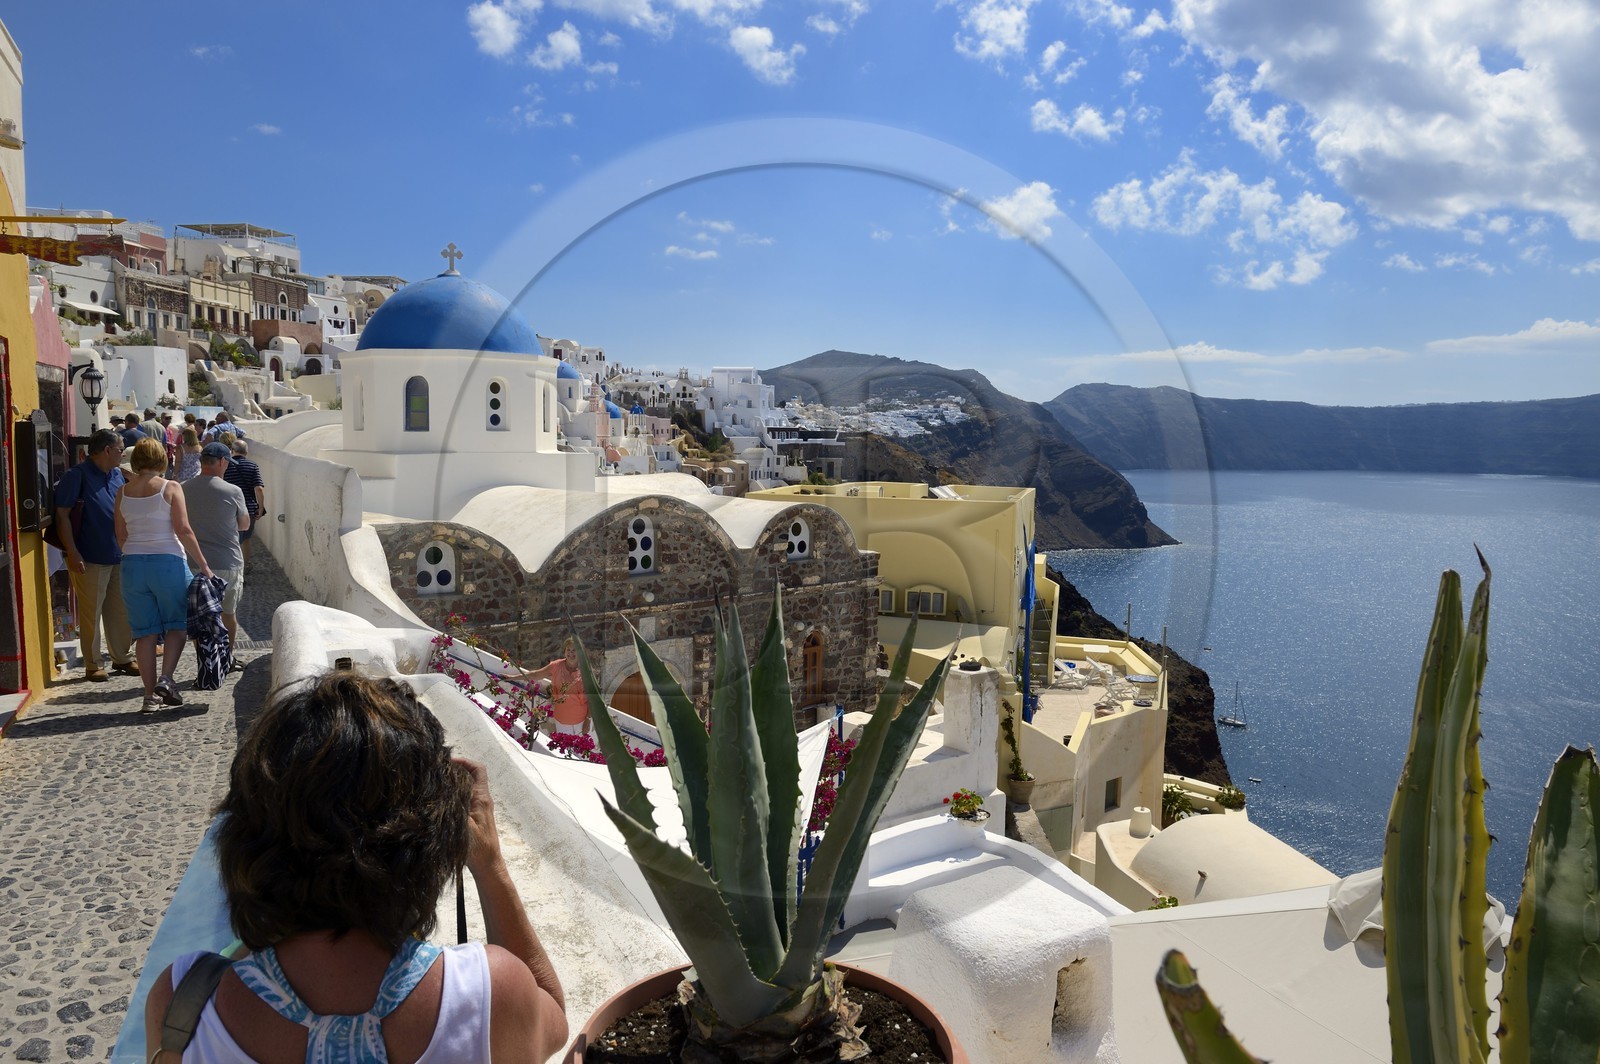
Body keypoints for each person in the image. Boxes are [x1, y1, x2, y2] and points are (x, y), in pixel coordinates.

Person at [142, 671, 568, 1063]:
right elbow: (552, 1019)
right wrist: (490, 866)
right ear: (431, 839)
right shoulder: (488, 994)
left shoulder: (183, 1004)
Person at [116, 437, 213, 712]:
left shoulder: (122, 492)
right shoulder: (171, 487)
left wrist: (137, 553)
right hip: (168, 560)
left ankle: (149, 697)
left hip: (132, 565)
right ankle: (167, 679)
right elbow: (183, 529)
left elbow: (120, 535)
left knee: (144, 634)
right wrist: (203, 565)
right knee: (177, 624)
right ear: (162, 459)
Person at [53, 429, 138, 682]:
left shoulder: (116, 475)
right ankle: (93, 663)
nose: (123, 453)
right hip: (88, 556)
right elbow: (62, 516)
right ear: (107, 450)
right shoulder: (76, 476)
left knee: (120, 609)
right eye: (120, 448)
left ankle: (121, 657)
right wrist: (73, 551)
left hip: (117, 555)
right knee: (91, 613)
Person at [183, 443, 250, 649]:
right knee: (228, 614)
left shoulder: (183, 487)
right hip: (227, 562)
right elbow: (244, 524)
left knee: (199, 616)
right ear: (221, 462)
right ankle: (227, 657)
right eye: (227, 463)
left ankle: (204, 660)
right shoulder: (233, 491)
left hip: (194, 563)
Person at [521, 637, 590, 734]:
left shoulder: (586, 671)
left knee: (581, 748)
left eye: (574, 650)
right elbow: (536, 674)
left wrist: (588, 720)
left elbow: (592, 699)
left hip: (581, 721)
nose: (571, 653)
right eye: (568, 650)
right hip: (562, 721)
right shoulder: (556, 666)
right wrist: (512, 677)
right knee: (565, 748)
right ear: (564, 652)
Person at [224, 438, 266, 566]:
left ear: (232, 450)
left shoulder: (226, 465)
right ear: (246, 452)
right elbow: (259, 488)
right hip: (248, 508)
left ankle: (231, 565)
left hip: (229, 507)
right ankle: (244, 567)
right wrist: (260, 507)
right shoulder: (253, 465)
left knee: (230, 538)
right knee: (246, 539)